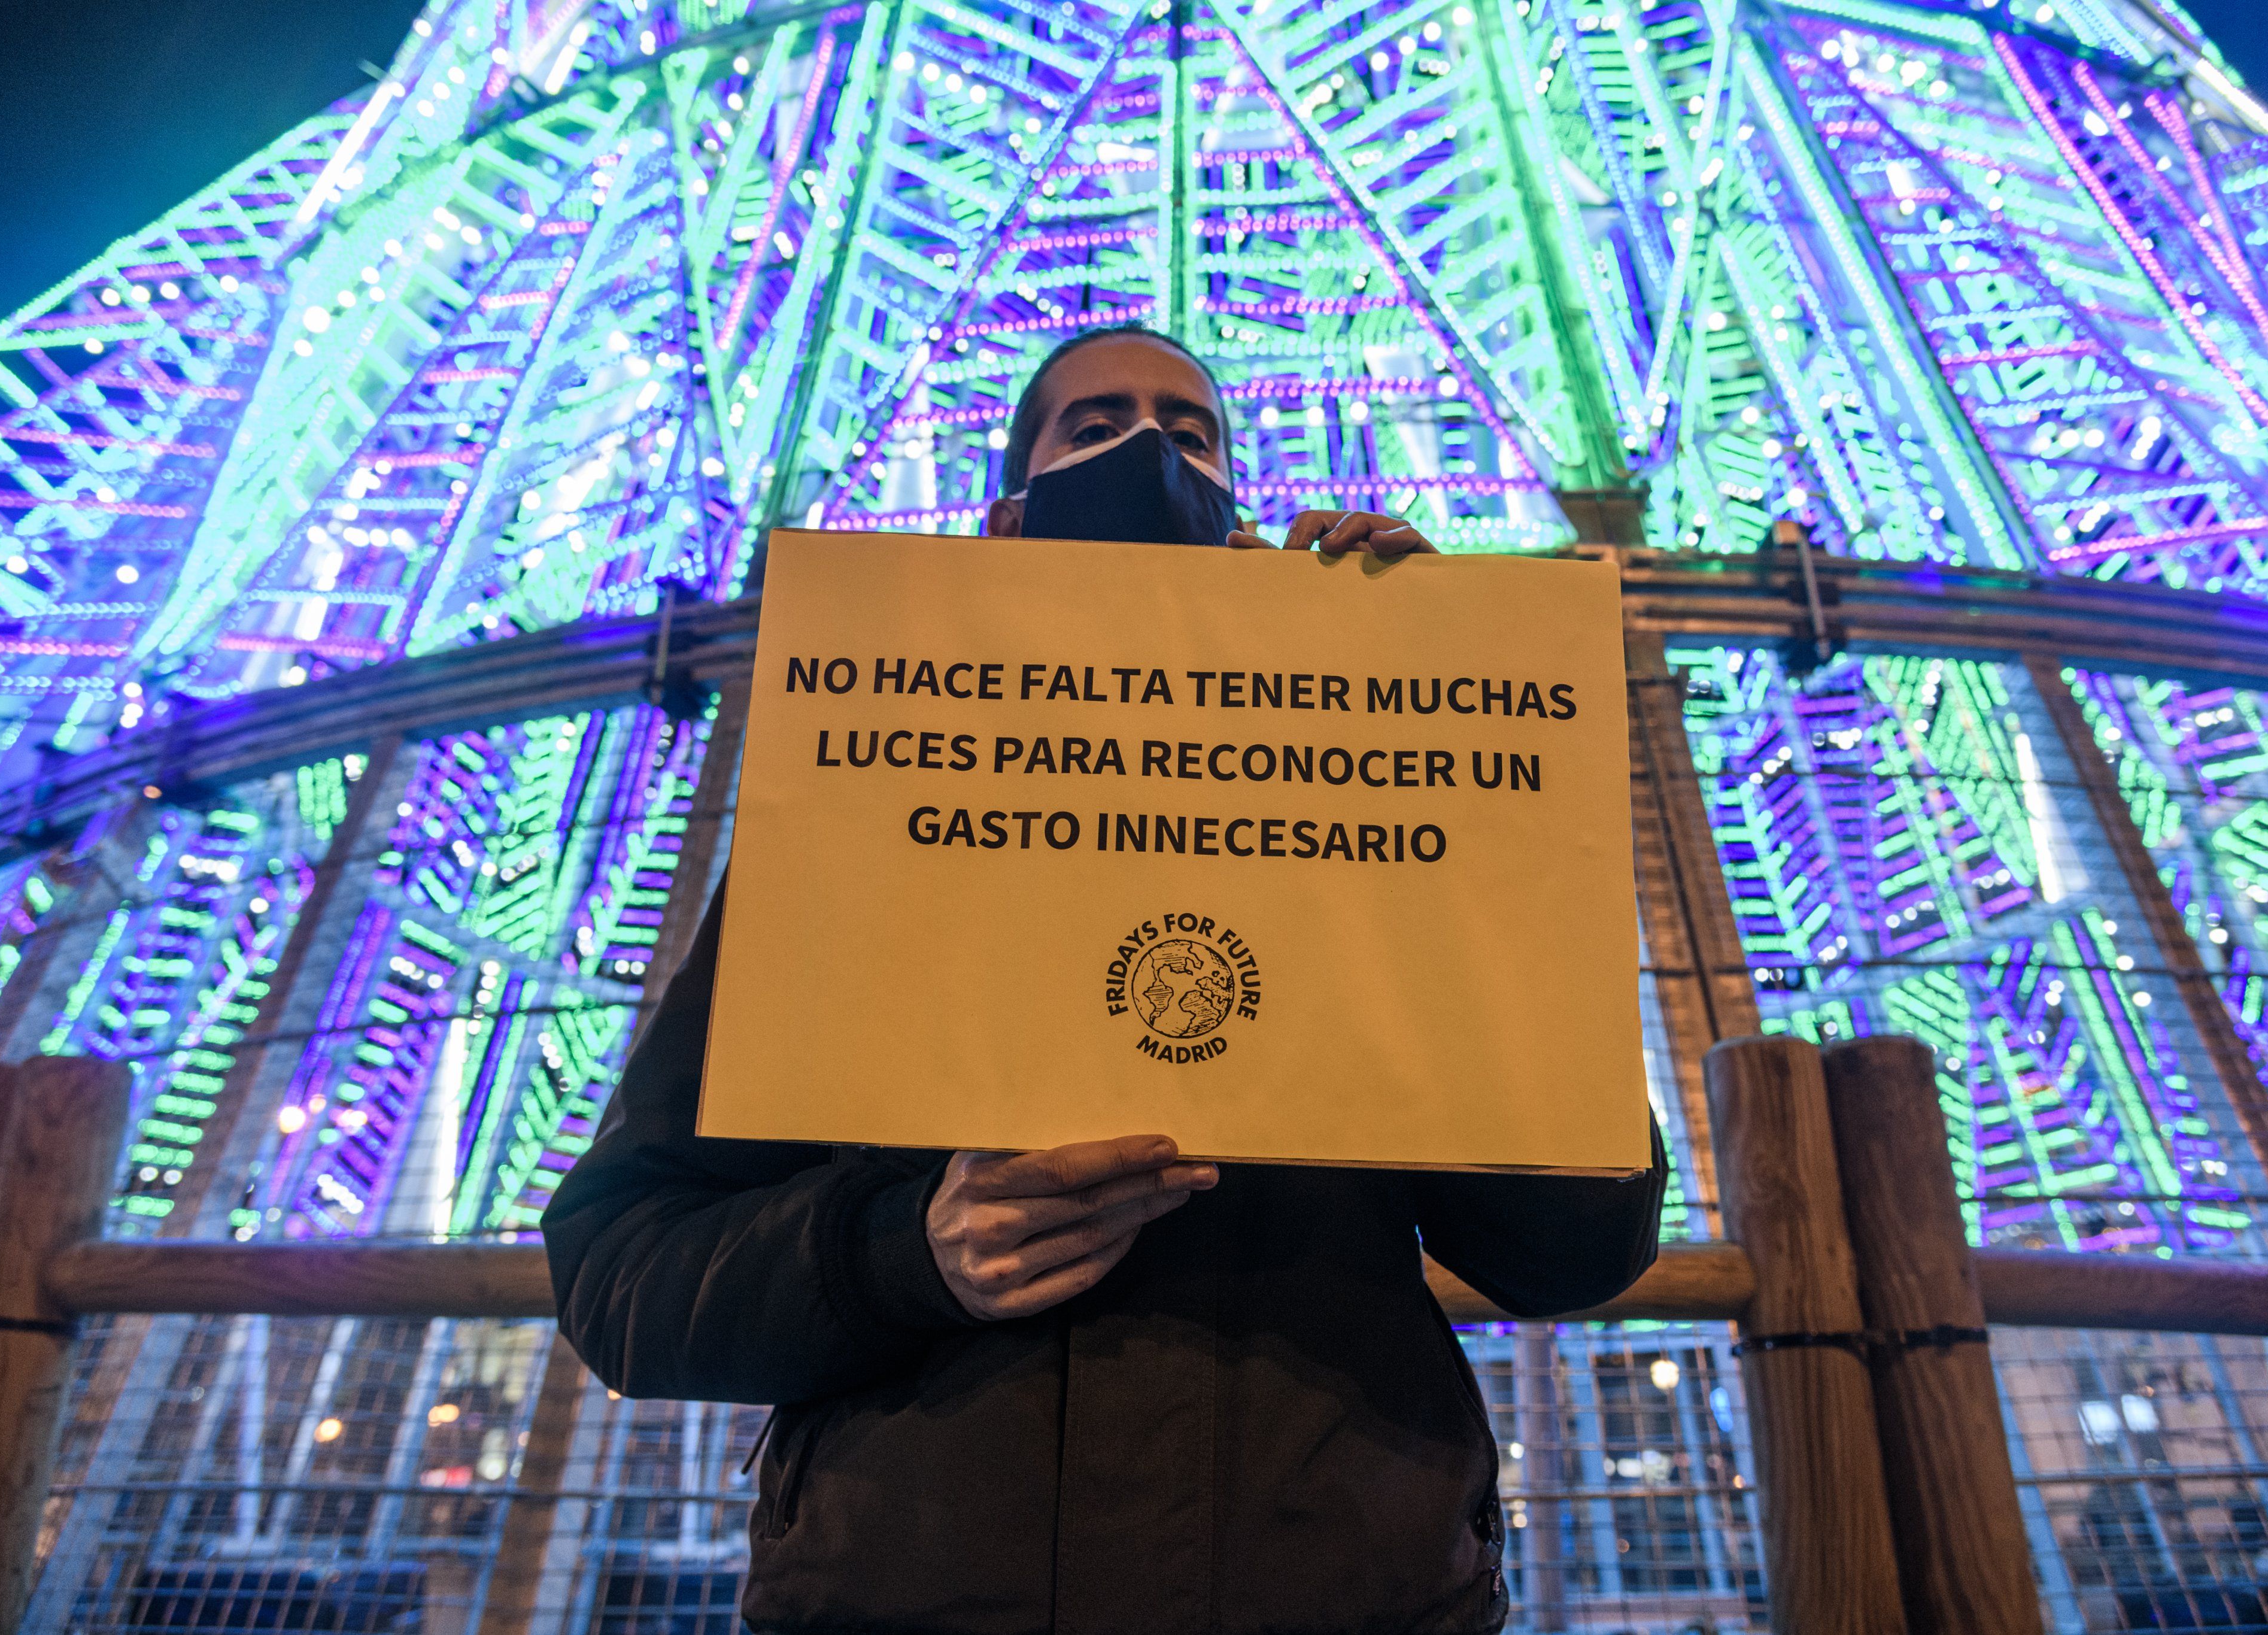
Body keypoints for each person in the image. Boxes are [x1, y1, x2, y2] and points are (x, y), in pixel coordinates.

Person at [543, 324, 1668, 1635]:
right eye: (1093, 425)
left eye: (1190, 434)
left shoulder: (1362, 819)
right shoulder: (846, 834)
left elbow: (1580, 1243)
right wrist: (902, 1249)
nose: (1148, 451)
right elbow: (622, 1267)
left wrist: (1426, 738)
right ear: (1005, 521)